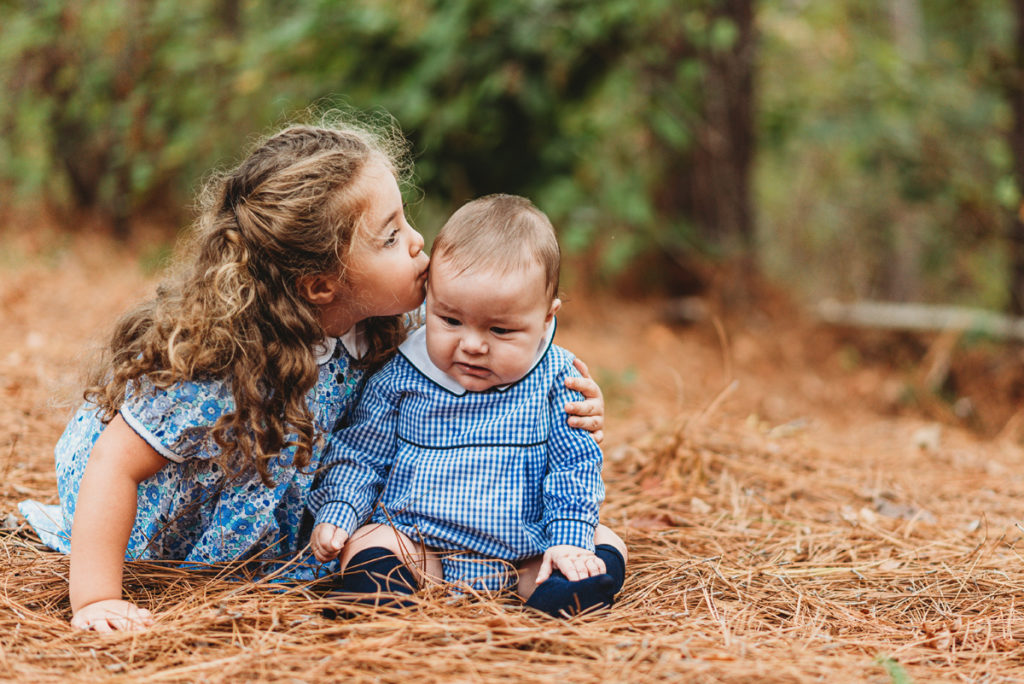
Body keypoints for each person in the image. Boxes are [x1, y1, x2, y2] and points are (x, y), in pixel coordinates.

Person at [18, 123, 606, 632]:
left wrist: (564, 394)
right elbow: (113, 464)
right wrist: (97, 598)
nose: (417, 241)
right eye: (392, 235)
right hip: (159, 520)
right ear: (323, 285)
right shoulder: (222, 369)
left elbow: (503, 326)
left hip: (287, 495)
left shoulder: (387, 322)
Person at [308, 194, 627, 617]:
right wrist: (341, 509)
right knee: (371, 540)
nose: (472, 345)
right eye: (451, 320)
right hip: (421, 545)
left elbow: (574, 467)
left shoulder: (558, 379)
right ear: (429, 302)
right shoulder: (402, 374)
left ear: (547, 319)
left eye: (500, 329)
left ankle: (559, 597)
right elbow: (362, 454)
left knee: (603, 542)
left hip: (524, 549)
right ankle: (381, 595)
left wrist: (567, 539)